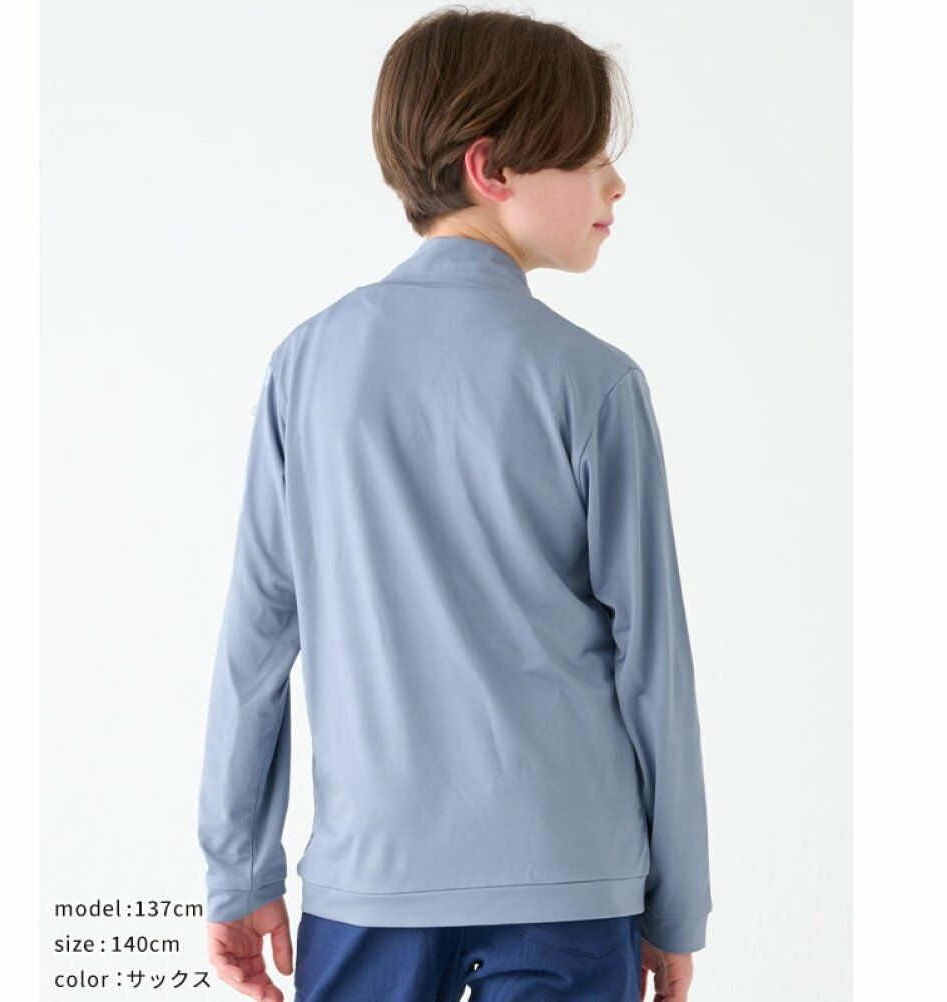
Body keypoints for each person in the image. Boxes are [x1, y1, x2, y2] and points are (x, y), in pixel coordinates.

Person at [197, 7, 712, 1001]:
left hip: (368, 888)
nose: (615, 184)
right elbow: (655, 664)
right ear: (492, 168)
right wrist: (674, 904)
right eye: (589, 157)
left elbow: (257, 639)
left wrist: (240, 872)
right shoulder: (595, 382)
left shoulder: (307, 366)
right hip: (573, 886)